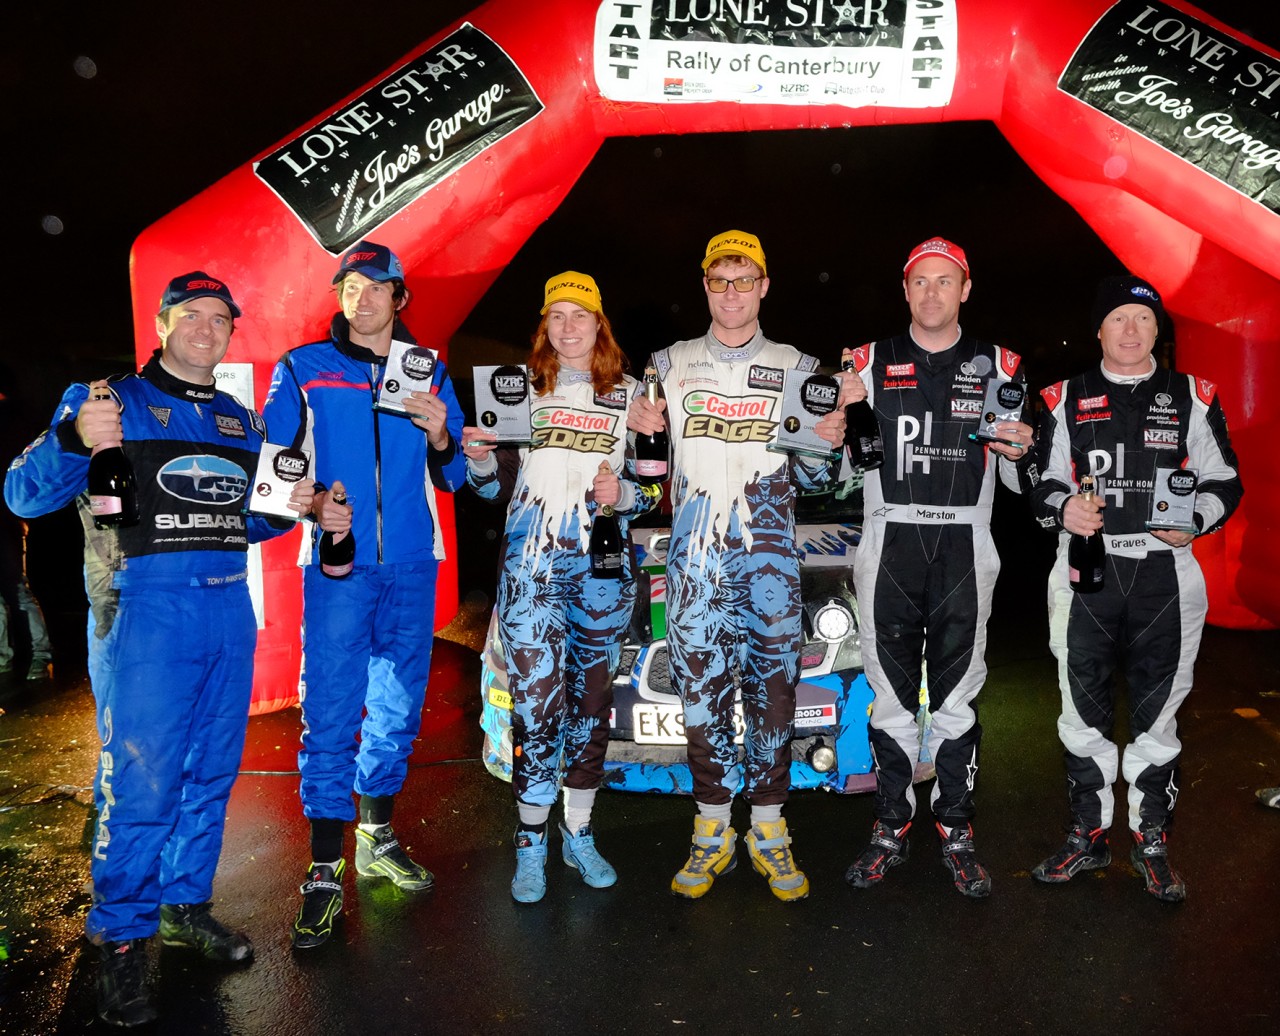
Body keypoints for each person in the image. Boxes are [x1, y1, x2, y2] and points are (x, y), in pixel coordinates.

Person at [3, 272, 315, 1028]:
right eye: (193, 316)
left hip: (225, 611)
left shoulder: (238, 419)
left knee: (211, 774)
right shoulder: (109, 400)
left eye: (221, 318)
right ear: (164, 322)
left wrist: (293, 508)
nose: (208, 329)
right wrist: (74, 439)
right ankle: (120, 941)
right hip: (142, 611)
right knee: (140, 784)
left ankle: (183, 908)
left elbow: (242, 521)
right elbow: (22, 495)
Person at [626, 230, 853, 902]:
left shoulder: (800, 366)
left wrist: (828, 441)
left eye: (743, 279)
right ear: (705, 286)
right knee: (700, 694)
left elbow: (818, 472)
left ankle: (771, 829)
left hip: (772, 564)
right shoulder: (666, 364)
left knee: (774, 696)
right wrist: (636, 434)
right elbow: (644, 478)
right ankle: (712, 829)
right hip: (694, 564)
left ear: (764, 287)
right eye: (719, 280)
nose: (731, 292)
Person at [261, 240, 466, 949]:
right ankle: (323, 870)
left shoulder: (430, 371)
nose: (365, 298)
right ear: (340, 296)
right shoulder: (303, 370)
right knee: (332, 707)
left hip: (412, 565)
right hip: (340, 566)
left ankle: (375, 836)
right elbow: (273, 471)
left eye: (378, 287)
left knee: (399, 706)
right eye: (352, 287)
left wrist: (443, 435)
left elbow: (458, 475)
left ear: (399, 298)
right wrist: (316, 501)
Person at [1025, 274, 1242, 902]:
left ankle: (1152, 844)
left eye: (1143, 320)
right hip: (1084, 575)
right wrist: (1064, 508)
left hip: (1166, 576)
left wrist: (1194, 519)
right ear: (1099, 328)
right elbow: (1036, 482)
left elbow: (1226, 480)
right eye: (1117, 318)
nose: (1130, 330)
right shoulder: (1062, 396)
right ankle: (1087, 837)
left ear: (1157, 331)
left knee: (1158, 719)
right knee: (1079, 715)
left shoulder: (1195, 396)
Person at [842, 237, 1033, 899]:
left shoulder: (1001, 364)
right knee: (890, 701)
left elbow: (1018, 480)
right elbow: (837, 466)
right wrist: (831, 421)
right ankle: (891, 824)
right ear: (905, 290)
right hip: (888, 540)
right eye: (919, 281)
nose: (931, 292)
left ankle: (956, 829)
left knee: (955, 702)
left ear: (965, 289)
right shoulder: (864, 362)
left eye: (943, 281)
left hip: (963, 546)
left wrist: (1023, 447)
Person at [462, 272, 660, 903]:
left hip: (601, 576)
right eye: (557, 316)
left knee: (591, 707)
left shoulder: (631, 396)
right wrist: (481, 459)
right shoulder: (519, 394)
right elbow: (491, 492)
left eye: (582, 315)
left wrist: (624, 493)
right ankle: (530, 843)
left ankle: (578, 832)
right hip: (531, 575)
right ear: (543, 328)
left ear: (600, 326)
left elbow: (654, 488)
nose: (569, 327)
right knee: (537, 708)